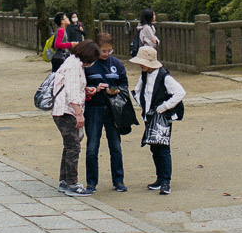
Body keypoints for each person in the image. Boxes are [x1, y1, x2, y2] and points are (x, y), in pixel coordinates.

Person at [130, 45, 185, 195]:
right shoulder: (144, 75)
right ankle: (160, 178)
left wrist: (165, 106)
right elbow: (137, 90)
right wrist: (143, 105)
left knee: (163, 147)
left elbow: (180, 92)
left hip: (162, 117)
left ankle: (166, 180)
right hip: (149, 115)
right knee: (154, 147)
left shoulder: (164, 77)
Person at [52, 38, 100, 197]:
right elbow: (72, 93)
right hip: (67, 111)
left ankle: (65, 180)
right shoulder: (74, 66)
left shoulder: (72, 62)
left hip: (64, 109)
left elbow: (73, 87)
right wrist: (79, 115)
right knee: (73, 147)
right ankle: (71, 182)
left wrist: (86, 90)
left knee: (69, 145)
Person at [84, 32, 129, 193]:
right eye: (104, 50)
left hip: (112, 108)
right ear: (96, 48)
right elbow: (81, 87)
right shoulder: (88, 65)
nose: (106, 54)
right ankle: (91, 182)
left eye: (109, 50)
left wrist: (114, 90)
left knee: (115, 146)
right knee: (92, 146)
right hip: (93, 108)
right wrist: (94, 90)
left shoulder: (116, 64)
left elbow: (124, 84)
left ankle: (118, 180)